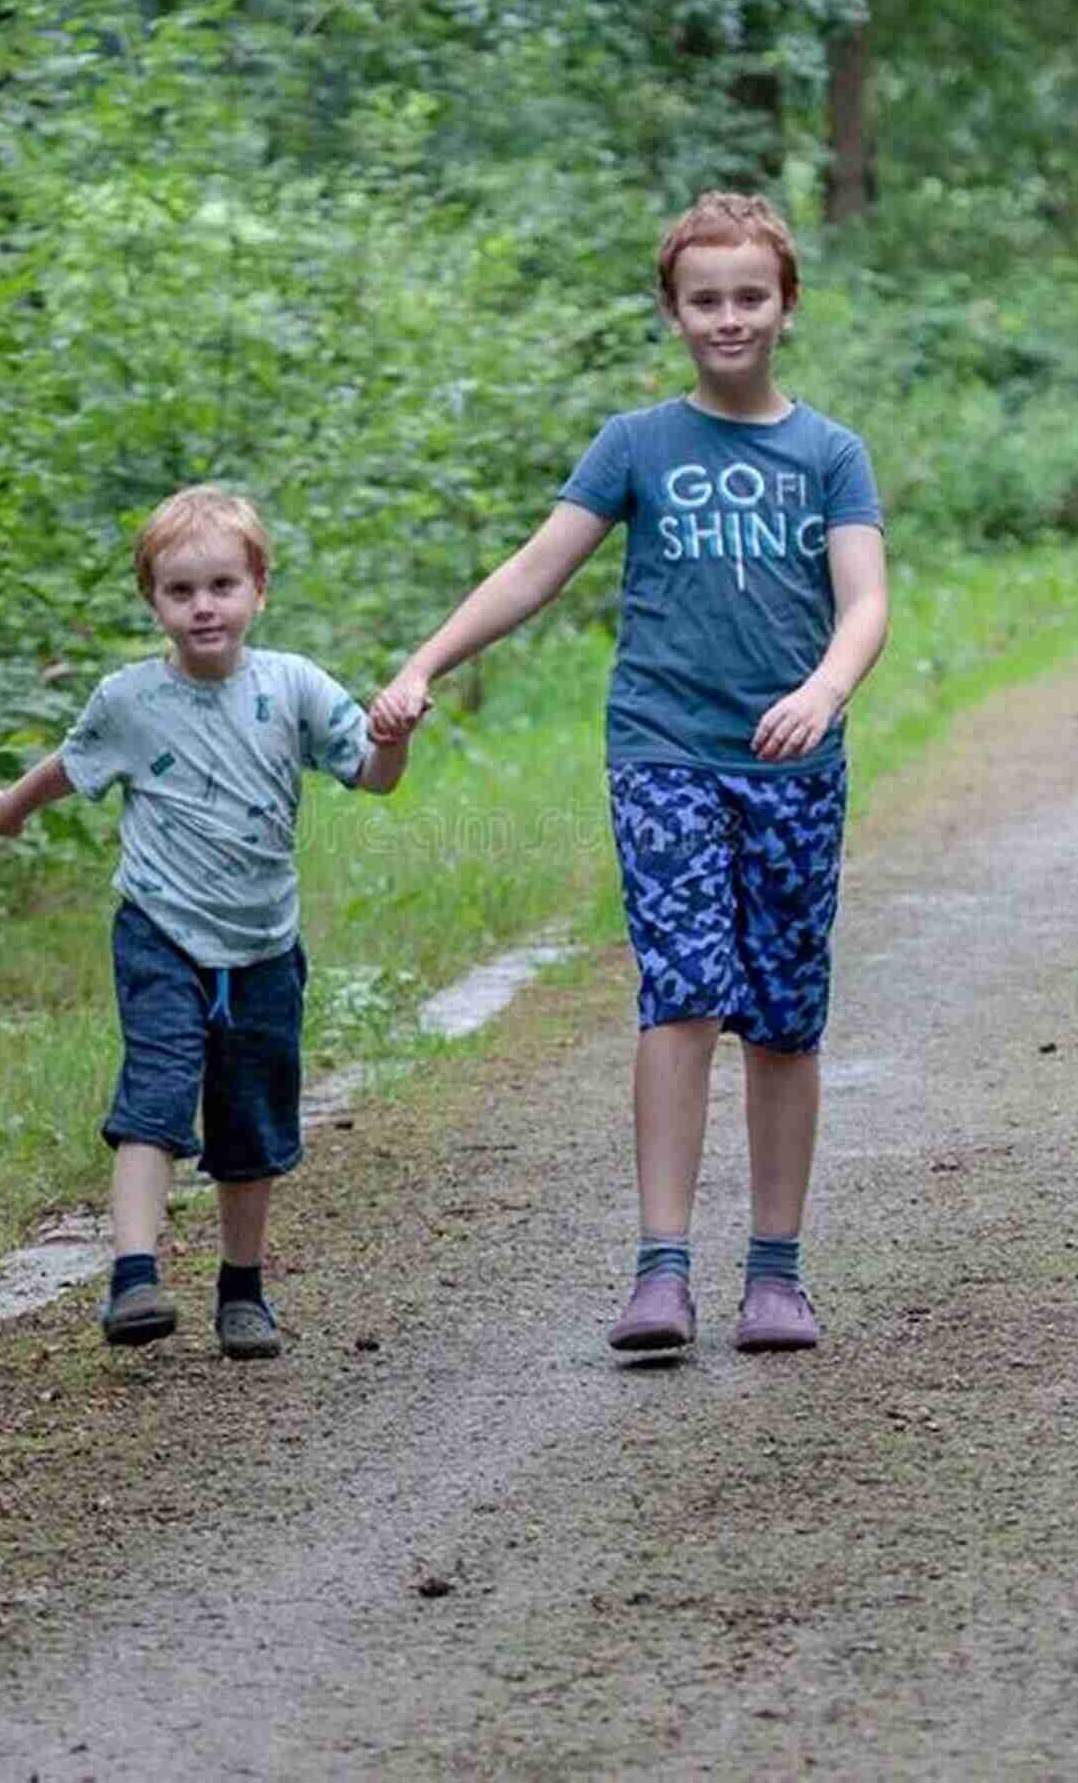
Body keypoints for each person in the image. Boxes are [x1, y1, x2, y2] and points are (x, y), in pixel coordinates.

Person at [370, 191, 887, 1357]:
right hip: (662, 751)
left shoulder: (828, 454)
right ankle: (661, 1268)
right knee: (685, 986)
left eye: (750, 296)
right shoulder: (636, 443)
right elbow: (534, 570)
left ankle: (775, 1273)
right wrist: (425, 660)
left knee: (785, 1021)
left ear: (786, 305)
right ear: (672, 311)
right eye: (705, 300)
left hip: (792, 766)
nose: (729, 317)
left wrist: (821, 690)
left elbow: (865, 603)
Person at [0, 484, 412, 1359]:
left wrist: (396, 732)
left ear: (260, 589)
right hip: (161, 930)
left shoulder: (292, 685)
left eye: (221, 585)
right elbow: (70, 766)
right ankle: (133, 1277)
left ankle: (242, 1291)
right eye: (181, 592)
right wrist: (10, 809)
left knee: (249, 1122)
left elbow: (371, 774)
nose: (203, 606)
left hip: (262, 944)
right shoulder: (129, 700)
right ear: (154, 602)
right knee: (156, 1093)